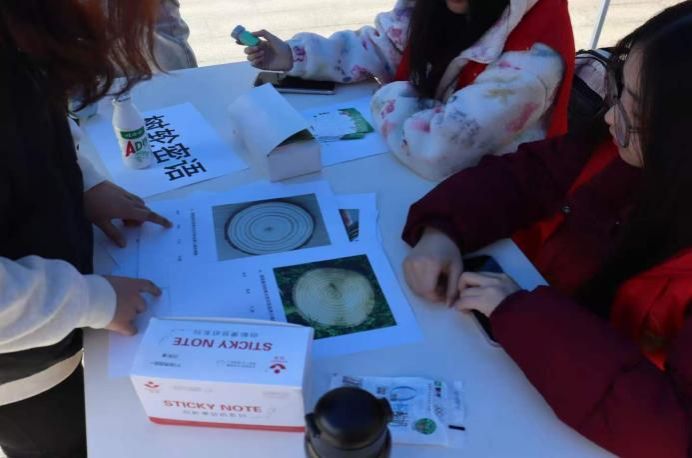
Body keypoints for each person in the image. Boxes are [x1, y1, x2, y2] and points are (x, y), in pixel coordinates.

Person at [401, 2, 692, 456]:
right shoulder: (617, 151)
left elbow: (669, 433)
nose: (610, 117)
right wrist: (441, 228)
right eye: (618, 89)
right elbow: (527, 176)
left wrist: (520, 313)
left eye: (635, 114)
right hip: (533, 367)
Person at [0, 1, 171, 456]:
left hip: (67, 304)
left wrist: (85, 184)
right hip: (22, 373)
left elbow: (42, 121)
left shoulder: (19, 35)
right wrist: (92, 300)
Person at [244, 0, 575, 181]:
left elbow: (438, 150)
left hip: (490, 221)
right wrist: (296, 55)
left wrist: (389, 94)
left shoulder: (532, 63)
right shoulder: (448, 6)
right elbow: (386, 45)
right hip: (413, 178)